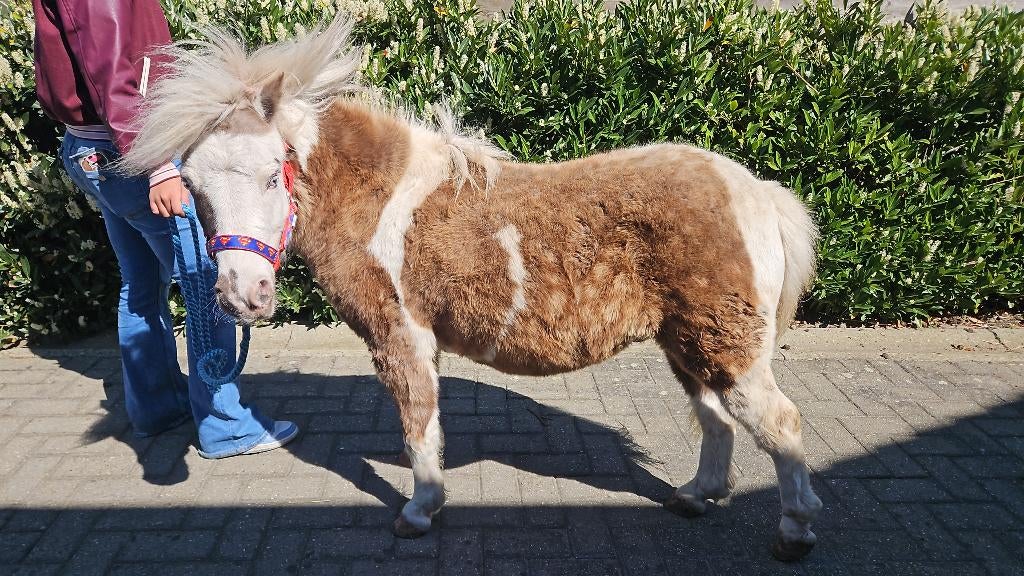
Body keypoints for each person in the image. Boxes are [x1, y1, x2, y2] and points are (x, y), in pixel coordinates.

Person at [32, 0, 298, 458]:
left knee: (140, 283)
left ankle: (156, 406)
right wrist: (159, 166)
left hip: (93, 146)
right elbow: (112, 71)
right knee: (204, 287)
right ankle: (225, 426)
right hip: (135, 150)